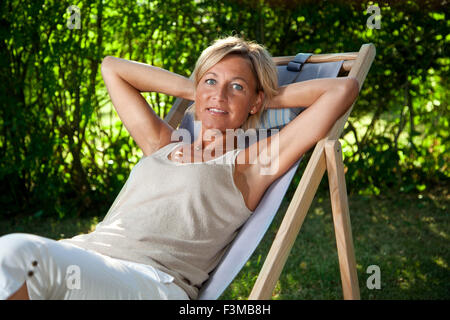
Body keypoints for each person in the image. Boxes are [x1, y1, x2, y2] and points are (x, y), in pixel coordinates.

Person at [0, 36, 359, 300]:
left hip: (151, 282)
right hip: (85, 256)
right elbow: (112, 67)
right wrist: (200, 90)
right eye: (211, 81)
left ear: (256, 102)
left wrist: (263, 97)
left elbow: (342, 89)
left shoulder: (251, 164)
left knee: (18, 254)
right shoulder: (163, 143)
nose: (219, 96)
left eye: (237, 87)